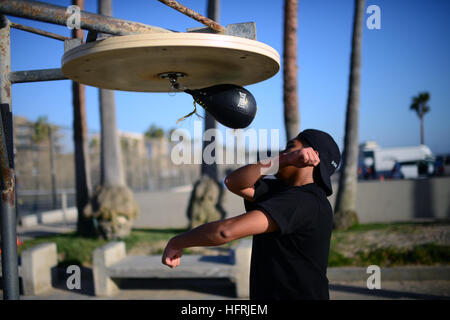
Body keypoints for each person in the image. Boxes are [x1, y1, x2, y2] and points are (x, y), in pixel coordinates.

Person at [162, 129, 341, 300]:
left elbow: (226, 231)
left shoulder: (304, 201)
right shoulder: (283, 193)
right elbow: (233, 182)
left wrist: (177, 242)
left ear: (309, 157)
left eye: (289, 147)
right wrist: (284, 159)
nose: (282, 152)